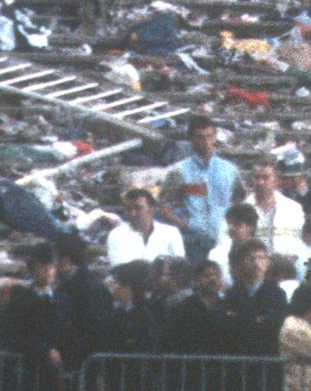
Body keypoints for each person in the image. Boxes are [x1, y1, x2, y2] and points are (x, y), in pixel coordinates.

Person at [167, 113, 240, 266]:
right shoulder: (179, 171)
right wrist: (185, 224)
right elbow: (164, 206)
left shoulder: (229, 170)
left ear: (215, 137)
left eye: (209, 136)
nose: (206, 142)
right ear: (191, 139)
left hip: (224, 240)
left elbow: (241, 200)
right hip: (193, 243)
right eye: (200, 137)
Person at [3, 242, 68, 391]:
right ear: (33, 269)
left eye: (51, 266)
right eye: (42, 266)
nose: (47, 271)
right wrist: (44, 351)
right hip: (28, 372)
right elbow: (15, 334)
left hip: (56, 373)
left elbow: (67, 333)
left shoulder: (63, 300)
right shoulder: (21, 300)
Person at [53, 233, 115, 376]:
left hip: (83, 364)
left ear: (66, 259)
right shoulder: (68, 285)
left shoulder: (90, 288)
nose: (54, 263)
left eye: (56, 258)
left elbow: (96, 329)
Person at [107, 187, 187, 270]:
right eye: (128, 209)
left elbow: (179, 265)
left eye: (138, 208)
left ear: (151, 210)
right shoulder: (117, 234)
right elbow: (119, 269)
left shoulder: (171, 232)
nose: (132, 213)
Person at [164, 259, 230, 355]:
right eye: (206, 276)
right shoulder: (183, 308)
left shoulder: (228, 306)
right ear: (196, 280)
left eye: (216, 275)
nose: (212, 279)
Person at [246, 162, 307, 259]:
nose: (260, 182)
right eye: (256, 177)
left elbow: (301, 240)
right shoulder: (242, 209)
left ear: (276, 180)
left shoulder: (293, 209)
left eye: (266, 177)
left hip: (288, 266)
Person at [209, 203, 262, 279]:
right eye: (229, 224)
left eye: (237, 224)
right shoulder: (216, 255)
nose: (231, 228)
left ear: (251, 228)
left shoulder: (261, 256)